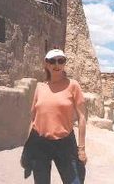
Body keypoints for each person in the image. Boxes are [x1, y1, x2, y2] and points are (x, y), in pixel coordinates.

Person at [22, 49, 87, 184]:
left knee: (75, 181)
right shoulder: (40, 87)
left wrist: (81, 149)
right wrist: (28, 146)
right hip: (40, 143)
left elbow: (82, 117)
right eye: (52, 61)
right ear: (46, 64)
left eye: (60, 60)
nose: (56, 65)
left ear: (64, 63)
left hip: (65, 143)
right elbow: (33, 119)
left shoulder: (73, 85)